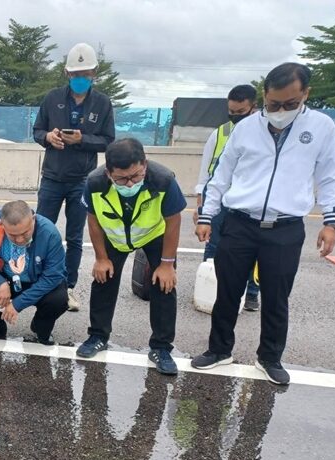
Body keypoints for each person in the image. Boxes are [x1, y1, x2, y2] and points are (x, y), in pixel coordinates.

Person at [193, 63, 335, 385]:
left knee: (276, 297)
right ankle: (219, 350)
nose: (280, 111)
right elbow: (220, 175)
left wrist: (332, 221)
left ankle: (270, 357)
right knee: (227, 291)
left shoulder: (321, 127)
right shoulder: (245, 129)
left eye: (290, 104)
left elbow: (332, 176)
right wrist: (207, 214)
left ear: (306, 94)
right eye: (273, 104)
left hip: (285, 228)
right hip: (239, 223)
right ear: (264, 95)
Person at [76, 138, 186, 376]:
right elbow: (93, 220)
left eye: (135, 176)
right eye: (121, 179)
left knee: (164, 285)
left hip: (153, 235)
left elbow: (174, 220)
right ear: (108, 173)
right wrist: (101, 258)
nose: (129, 183)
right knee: (103, 280)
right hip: (115, 238)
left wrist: (167, 264)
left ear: (144, 164)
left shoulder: (163, 179)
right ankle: (97, 336)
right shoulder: (95, 182)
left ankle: (161, 347)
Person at [33, 42, 116, 312]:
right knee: (40, 231)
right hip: (52, 178)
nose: (80, 79)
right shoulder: (51, 98)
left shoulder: (102, 103)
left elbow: (107, 141)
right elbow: (37, 131)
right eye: (75, 74)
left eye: (85, 74)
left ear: (94, 73)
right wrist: (48, 137)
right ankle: (36, 282)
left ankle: (67, 287)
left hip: (82, 180)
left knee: (75, 238)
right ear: (67, 74)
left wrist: (81, 140)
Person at [194, 83, 260, 311]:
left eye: (240, 112)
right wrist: (201, 204)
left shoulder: (267, 134)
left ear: (254, 107)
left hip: (250, 203)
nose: (235, 117)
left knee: (252, 250)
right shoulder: (220, 133)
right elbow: (206, 171)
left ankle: (251, 292)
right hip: (220, 200)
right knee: (214, 246)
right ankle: (209, 287)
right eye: (231, 112)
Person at [0, 200, 68, 344]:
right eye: (12, 235)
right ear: (2, 224)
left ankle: (40, 328)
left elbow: (53, 276)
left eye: (25, 233)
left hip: (35, 281)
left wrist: (18, 304)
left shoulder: (49, 233)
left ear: (33, 219)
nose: (19, 239)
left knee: (59, 298)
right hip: (6, 278)